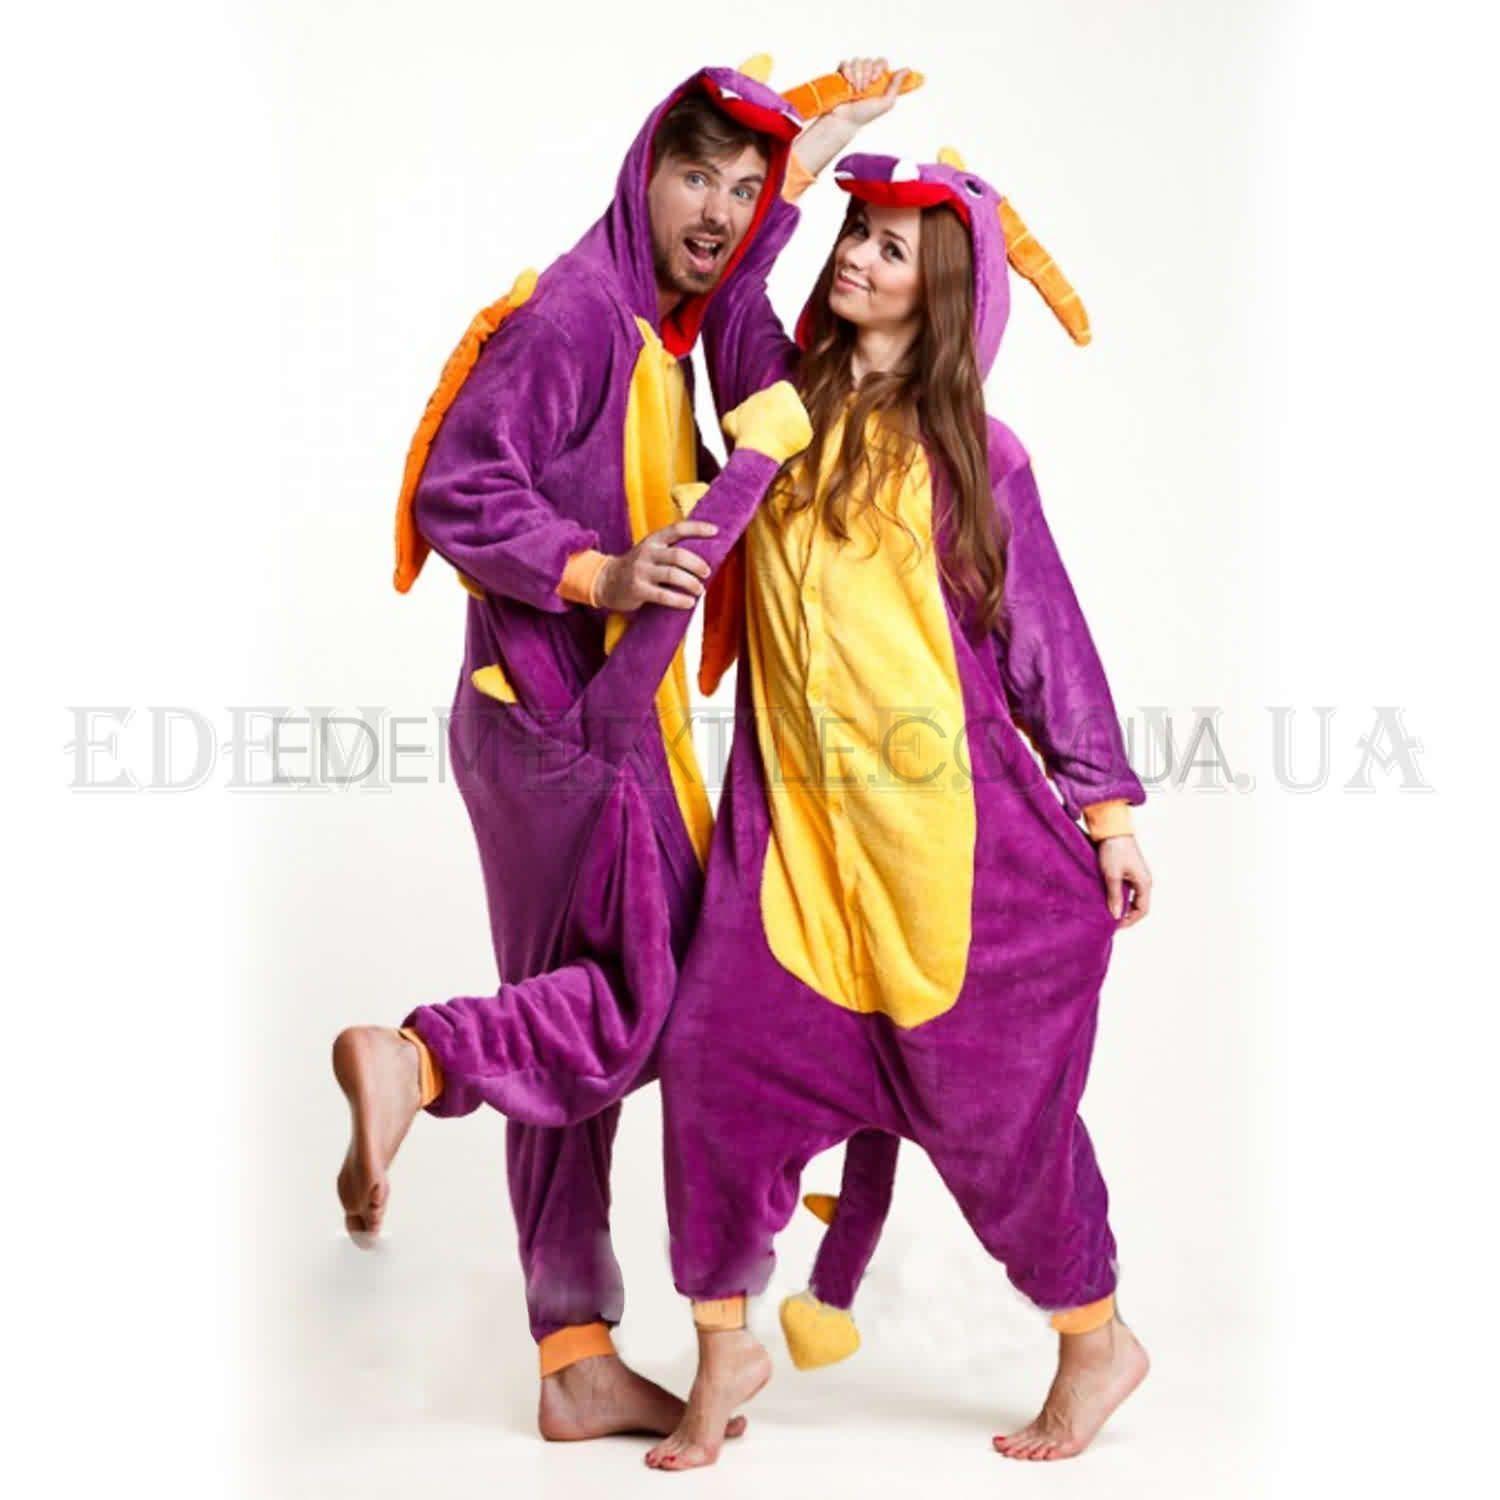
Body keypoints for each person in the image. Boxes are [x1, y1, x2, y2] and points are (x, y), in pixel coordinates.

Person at [332, 57, 911, 1442]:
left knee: (571, 1020)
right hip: (566, 722)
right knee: (664, 998)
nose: (718, 210)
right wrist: (599, 571)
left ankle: (574, 1354)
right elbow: (459, 486)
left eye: (739, 187)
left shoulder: (658, 319)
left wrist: (808, 158)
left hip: (552, 720)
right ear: (642, 173)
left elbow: (737, 288)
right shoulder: (579, 316)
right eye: (696, 176)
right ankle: (420, 1060)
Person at [643, 146, 1153, 1470]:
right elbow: (733, 288)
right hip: (797, 856)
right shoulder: (777, 405)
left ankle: (1095, 1342)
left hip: (954, 861)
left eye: (889, 246)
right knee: (714, 1071)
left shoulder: (976, 459)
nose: (856, 257)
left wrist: (1106, 813)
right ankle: (722, 1354)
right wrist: (801, 160)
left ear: (944, 290)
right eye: (854, 232)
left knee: (999, 1125)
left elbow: (1046, 638)